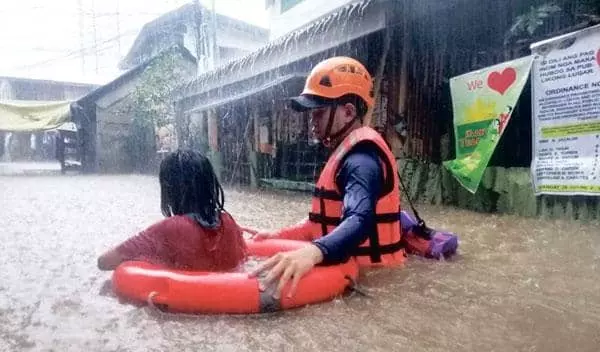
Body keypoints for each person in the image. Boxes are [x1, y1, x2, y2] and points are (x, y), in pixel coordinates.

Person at [249, 57, 404, 298]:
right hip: (355, 274)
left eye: (319, 114)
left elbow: (359, 219)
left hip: (374, 284)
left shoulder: (361, 161)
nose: (312, 123)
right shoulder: (346, 153)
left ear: (348, 112)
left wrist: (312, 253)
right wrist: (276, 236)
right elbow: (320, 223)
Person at [97, 149, 247, 272]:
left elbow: (104, 262)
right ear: (210, 185)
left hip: (187, 304)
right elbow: (244, 258)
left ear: (169, 190)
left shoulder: (171, 228)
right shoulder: (228, 222)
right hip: (231, 297)